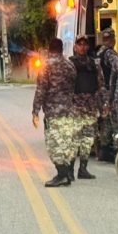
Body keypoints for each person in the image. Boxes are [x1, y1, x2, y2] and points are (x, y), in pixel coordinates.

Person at [32, 38, 78, 187]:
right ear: (61, 49)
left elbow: (41, 90)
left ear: (49, 49)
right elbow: (74, 86)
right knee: (66, 142)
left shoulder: (46, 66)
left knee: (54, 144)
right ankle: (67, 172)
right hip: (69, 110)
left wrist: (35, 111)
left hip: (53, 112)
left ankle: (62, 175)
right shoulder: (70, 65)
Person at [69, 34, 106, 180]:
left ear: (88, 46)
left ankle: (83, 169)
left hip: (90, 106)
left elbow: (101, 84)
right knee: (73, 139)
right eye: (80, 44)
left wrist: (103, 104)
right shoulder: (70, 64)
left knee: (88, 139)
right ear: (75, 47)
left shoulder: (94, 64)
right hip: (75, 107)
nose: (82, 47)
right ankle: (70, 170)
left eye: (85, 44)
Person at [96, 28, 118, 162]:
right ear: (113, 39)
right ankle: (108, 149)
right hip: (108, 91)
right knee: (112, 119)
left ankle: (103, 148)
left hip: (100, 91)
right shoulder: (110, 53)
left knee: (104, 119)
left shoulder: (99, 52)